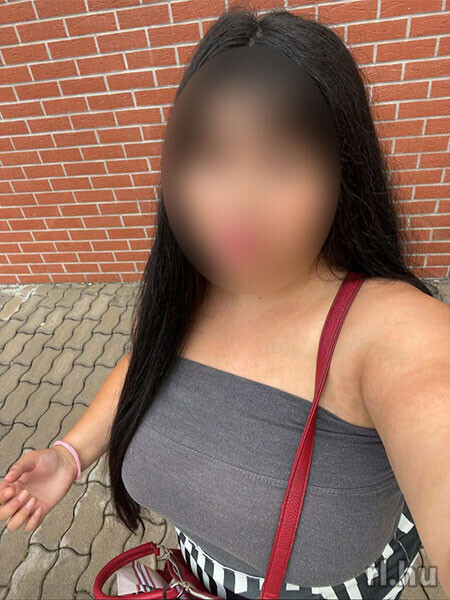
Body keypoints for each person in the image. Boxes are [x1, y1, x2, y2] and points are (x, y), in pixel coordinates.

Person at [1, 7, 449, 600]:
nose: (238, 203)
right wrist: (69, 455)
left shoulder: (391, 330)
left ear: (343, 173)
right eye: (210, 156)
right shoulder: (193, 286)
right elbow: (145, 362)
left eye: (282, 161)